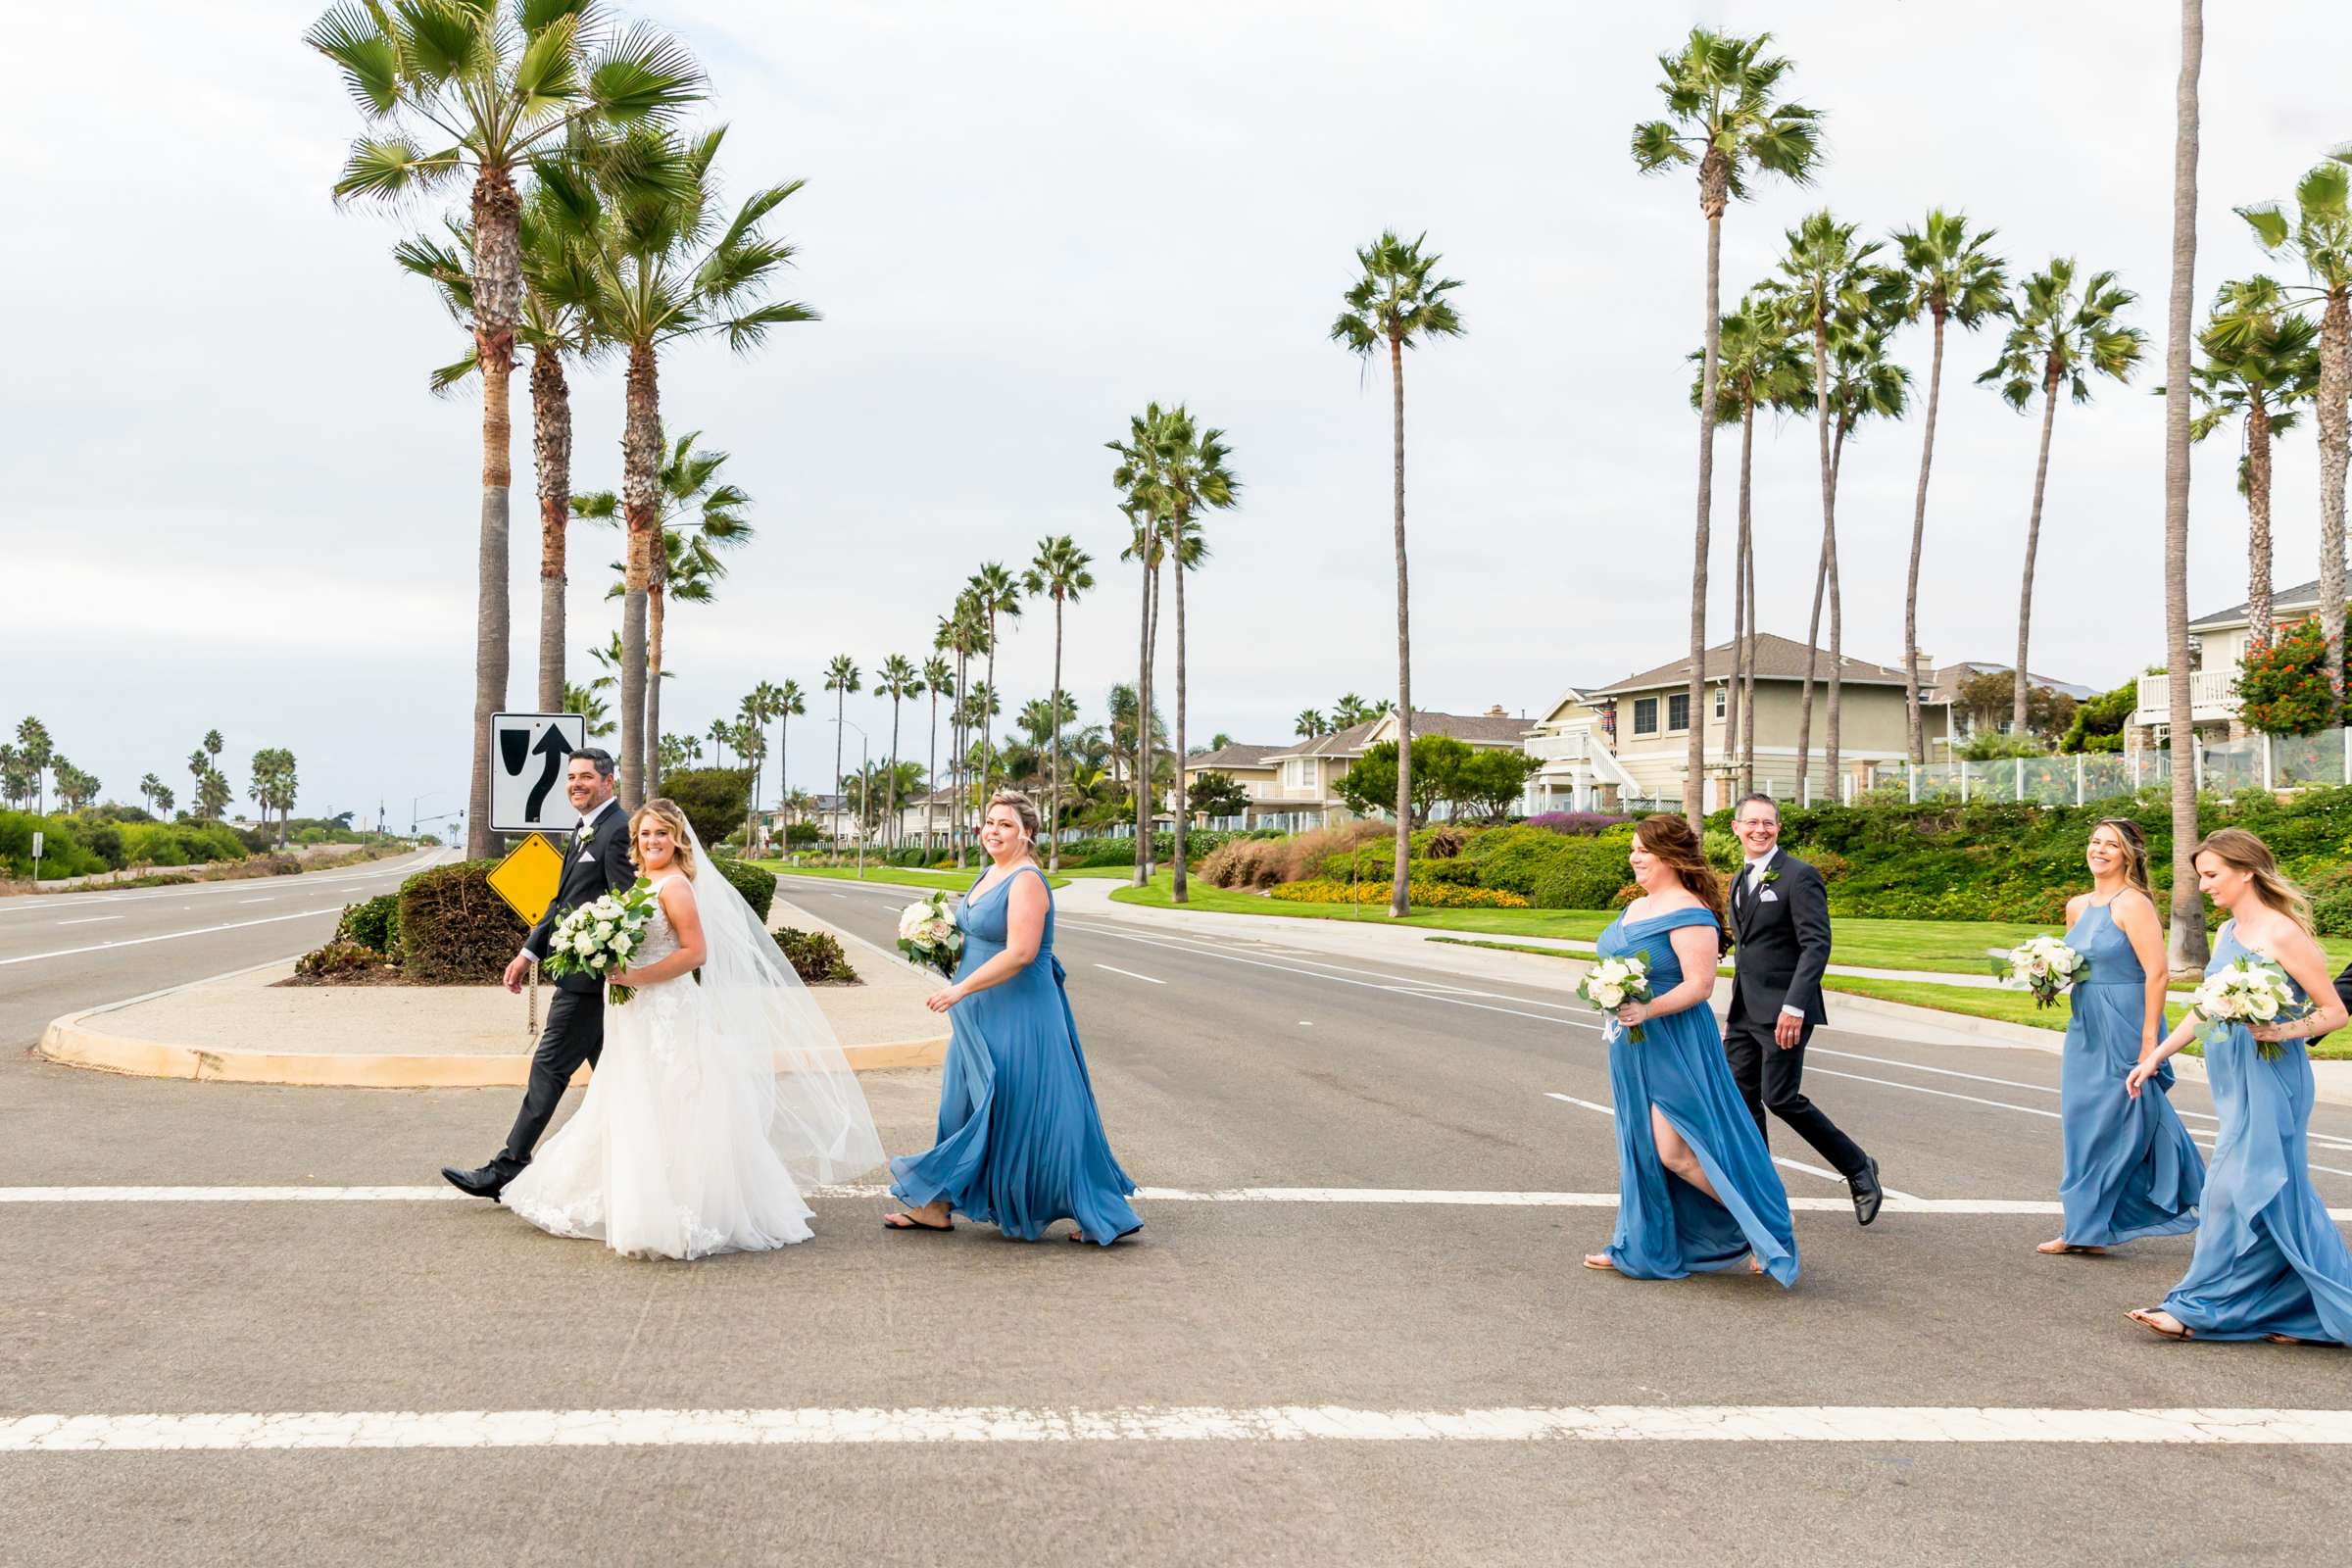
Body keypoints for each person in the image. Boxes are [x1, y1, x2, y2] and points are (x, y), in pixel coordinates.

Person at [500, 799, 884, 1258]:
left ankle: (678, 1204)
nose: (652, 841)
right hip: (632, 1009)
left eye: (661, 834)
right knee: (631, 1096)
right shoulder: (642, 881)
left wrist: (637, 976)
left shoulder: (677, 886)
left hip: (667, 1007)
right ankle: (633, 1194)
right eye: (645, 834)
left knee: (675, 1097)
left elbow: (694, 953)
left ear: (677, 839)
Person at [2126, 828, 2352, 1344]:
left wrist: (2284, 1030)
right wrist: (2155, 1056)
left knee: (2230, 1194)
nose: (2204, 886)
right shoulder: (2228, 933)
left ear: (2246, 871)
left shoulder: (2283, 933)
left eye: (2212, 875)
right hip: (2234, 1081)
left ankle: (2194, 1307)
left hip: (2274, 1077)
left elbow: (2334, 1013)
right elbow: (2208, 1010)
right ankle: (2309, 1310)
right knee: (2279, 1197)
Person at [885, 789, 1142, 1246]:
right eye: (989, 822)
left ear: (1027, 832)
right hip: (978, 1010)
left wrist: (960, 986)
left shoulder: (1025, 879)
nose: (993, 831)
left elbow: (1021, 952)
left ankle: (1095, 1207)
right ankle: (937, 1206)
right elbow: (979, 937)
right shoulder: (990, 872)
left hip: (1019, 1009)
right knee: (961, 1103)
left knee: (1036, 1108)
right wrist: (939, 943)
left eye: (1005, 824)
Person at [1584, 813, 1798, 1286]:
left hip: (1676, 1041)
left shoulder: (1691, 913)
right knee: (1639, 1145)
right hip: (1631, 1043)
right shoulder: (1637, 907)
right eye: (1634, 849)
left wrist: (1648, 1009)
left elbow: (1700, 987)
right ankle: (1640, 1243)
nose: (1634, 857)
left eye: (1643, 850)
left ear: (1669, 857)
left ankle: (1769, 1227)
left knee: (1674, 1151)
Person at [442, 749, 635, 1200]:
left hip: (589, 983)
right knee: (618, 1079)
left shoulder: (617, 830)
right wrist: (529, 952)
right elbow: (562, 900)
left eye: (586, 777)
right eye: (571, 777)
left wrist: (608, 960)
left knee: (548, 1070)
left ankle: (507, 1168)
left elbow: (626, 905)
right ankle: (656, 1160)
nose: (575, 784)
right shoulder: (584, 830)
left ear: (609, 782)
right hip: (582, 979)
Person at [2039, 818, 2203, 1254]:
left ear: (2128, 854)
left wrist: (2149, 1040)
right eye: (2094, 842)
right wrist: (2046, 977)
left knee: (2127, 1121)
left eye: (2110, 845)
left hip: (2127, 1021)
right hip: (2086, 1023)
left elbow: (2158, 973)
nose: (2100, 850)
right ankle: (2088, 1227)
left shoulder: (2134, 904)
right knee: (2082, 1124)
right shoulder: (2076, 906)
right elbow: (2077, 966)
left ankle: (2189, 1195)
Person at [1724, 793, 1882, 1224]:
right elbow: (1751, 942)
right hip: (1743, 1010)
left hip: (1784, 1011)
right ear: (1736, 828)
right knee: (1741, 1101)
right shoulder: (1740, 880)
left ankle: (1858, 1167)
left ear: (1778, 828)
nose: (1760, 830)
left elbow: (1816, 944)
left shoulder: (1799, 876)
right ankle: (1759, 1191)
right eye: (1752, 823)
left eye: (1768, 823)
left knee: (1781, 1098)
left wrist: (1794, 1006)